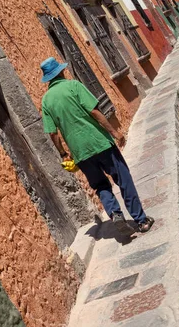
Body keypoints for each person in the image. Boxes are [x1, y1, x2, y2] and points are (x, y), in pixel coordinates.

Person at [40, 57, 154, 235]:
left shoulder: (46, 101)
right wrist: (114, 133)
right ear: (61, 71)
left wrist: (63, 154)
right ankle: (141, 221)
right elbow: (94, 111)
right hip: (100, 143)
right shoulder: (74, 86)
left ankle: (115, 213)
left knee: (101, 185)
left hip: (80, 153)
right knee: (123, 179)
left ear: (48, 78)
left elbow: (52, 133)